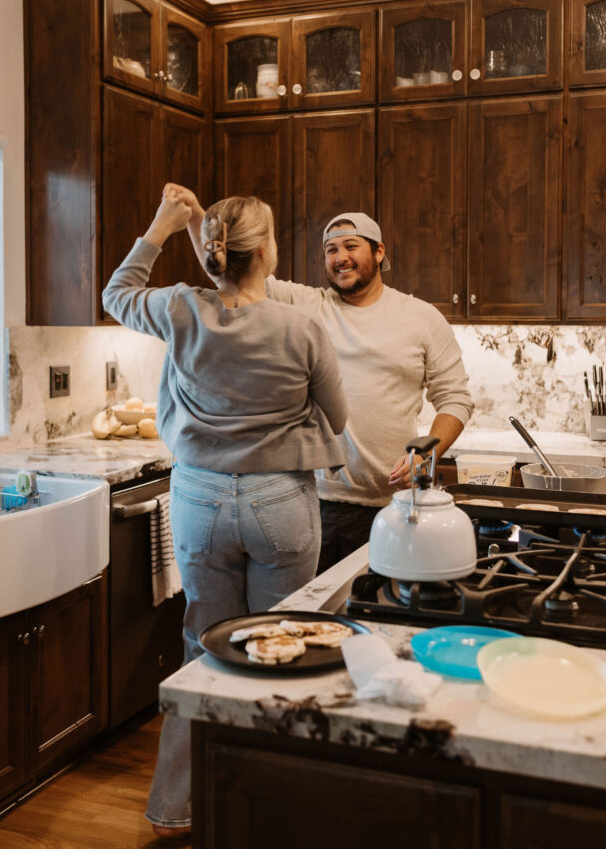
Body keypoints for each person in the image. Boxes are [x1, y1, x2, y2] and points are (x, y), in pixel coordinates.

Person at [102, 191, 347, 839]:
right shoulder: (299, 328)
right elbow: (340, 418)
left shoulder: (179, 309)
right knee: (287, 652)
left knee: (204, 650)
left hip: (200, 501)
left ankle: (175, 809)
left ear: (212, 252)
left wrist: (161, 227)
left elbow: (118, 292)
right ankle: (275, 812)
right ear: (266, 251)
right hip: (278, 505)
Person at [166, 186, 474, 575]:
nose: (340, 257)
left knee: (377, 612)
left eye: (351, 246)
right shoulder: (304, 304)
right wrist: (197, 214)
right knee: (310, 621)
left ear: (379, 252)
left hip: (392, 506)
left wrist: (427, 454)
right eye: (331, 249)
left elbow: (456, 400)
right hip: (311, 501)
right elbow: (227, 269)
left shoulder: (422, 317)